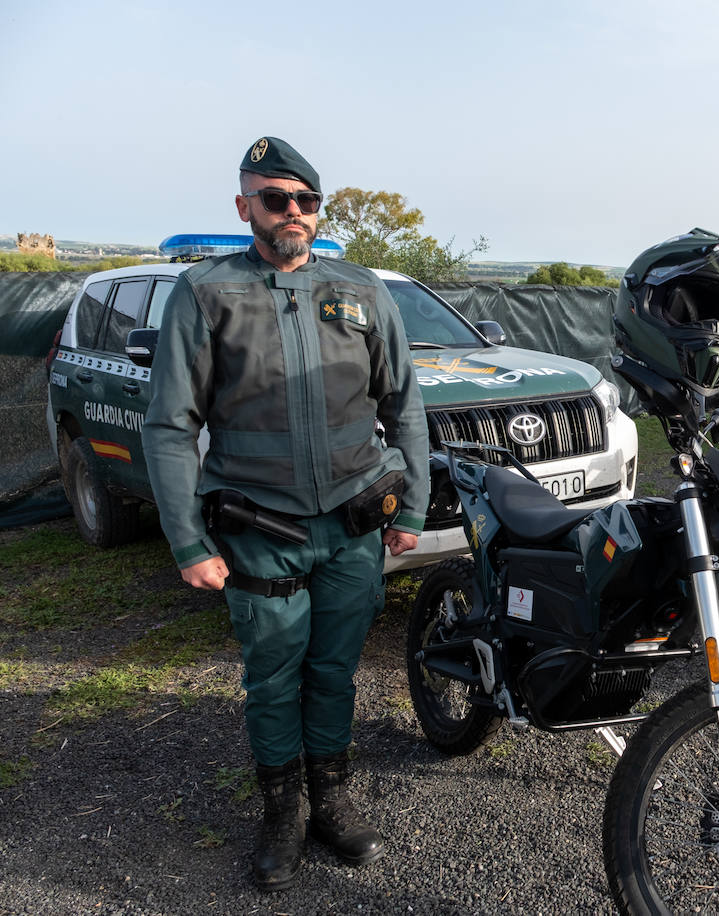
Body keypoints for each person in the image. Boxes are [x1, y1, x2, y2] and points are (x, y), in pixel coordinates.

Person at [143, 137, 431, 892]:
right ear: (246, 208)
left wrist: (413, 505)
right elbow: (170, 426)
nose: (292, 212)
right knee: (273, 676)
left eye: (305, 200)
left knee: (334, 671)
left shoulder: (361, 290)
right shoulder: (206, 294)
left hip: (350, 524)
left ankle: (330, 799)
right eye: (275, 199)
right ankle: (282, 812)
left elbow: (404, 406)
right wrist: (187, 541)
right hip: (259, 530)